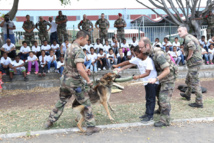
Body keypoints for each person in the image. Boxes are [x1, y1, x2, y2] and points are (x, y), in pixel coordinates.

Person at [45, 31, 100, 135]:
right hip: (74, 82)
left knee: (62, 101)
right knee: (87, 103)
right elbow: (79, 69)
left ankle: (50, 121)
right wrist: (88, 80)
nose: (87, 42)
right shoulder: (79, 50)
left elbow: (75, 64)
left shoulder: (69, 47)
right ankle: (91, 127)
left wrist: (85, 69)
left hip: (64, 80)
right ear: (81, 38)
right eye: (87, 40)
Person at [113, 46, 159, 122]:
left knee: (151, 99)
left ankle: (150, 116)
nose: (136, 56)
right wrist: (119, 67)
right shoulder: (138, 59)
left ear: (142, 53)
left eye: (137, 54)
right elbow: (128, 63)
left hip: (152, 82)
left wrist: (138, 77)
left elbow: (147, 73)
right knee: (148, 98)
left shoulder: (148, 61)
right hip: (146, 82)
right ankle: (147, 113)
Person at [139, 37, 177, 127]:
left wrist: (156, 79)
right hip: (160, 76)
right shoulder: (148, 53)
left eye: (141, 47)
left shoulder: (158, 54)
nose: (139, 49)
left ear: (147, 45)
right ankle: (160, 110)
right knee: (158, 94)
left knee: (164, 98)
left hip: (168, 76)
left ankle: (165, 120)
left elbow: (167, 70)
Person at [178, 25, 203, 108]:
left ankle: (199, 102)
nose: (179, 33)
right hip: (196, 62)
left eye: (180, 31)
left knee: (195, 82)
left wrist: (189, 56)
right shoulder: (190, 37)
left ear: (185, 30)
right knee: (188, 80)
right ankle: (187, 94)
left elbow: (191, 47)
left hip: (194, 63)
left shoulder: (188, 38)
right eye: (178, 31)